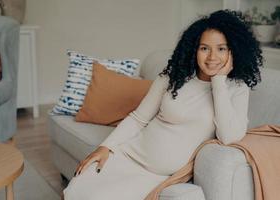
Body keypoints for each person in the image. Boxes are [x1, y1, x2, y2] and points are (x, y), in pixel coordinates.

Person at [63, 9, 262, 200]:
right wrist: (106, 147)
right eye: (204, 48)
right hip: (128, 155)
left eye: (221, 49)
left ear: (233, 51)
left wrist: (219, 81)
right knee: (76, 189)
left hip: (154, 175)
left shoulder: (236, 89)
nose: (212, 57)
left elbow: (229, 137)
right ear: (194, 49)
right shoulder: (172, 77)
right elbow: (138, 118)